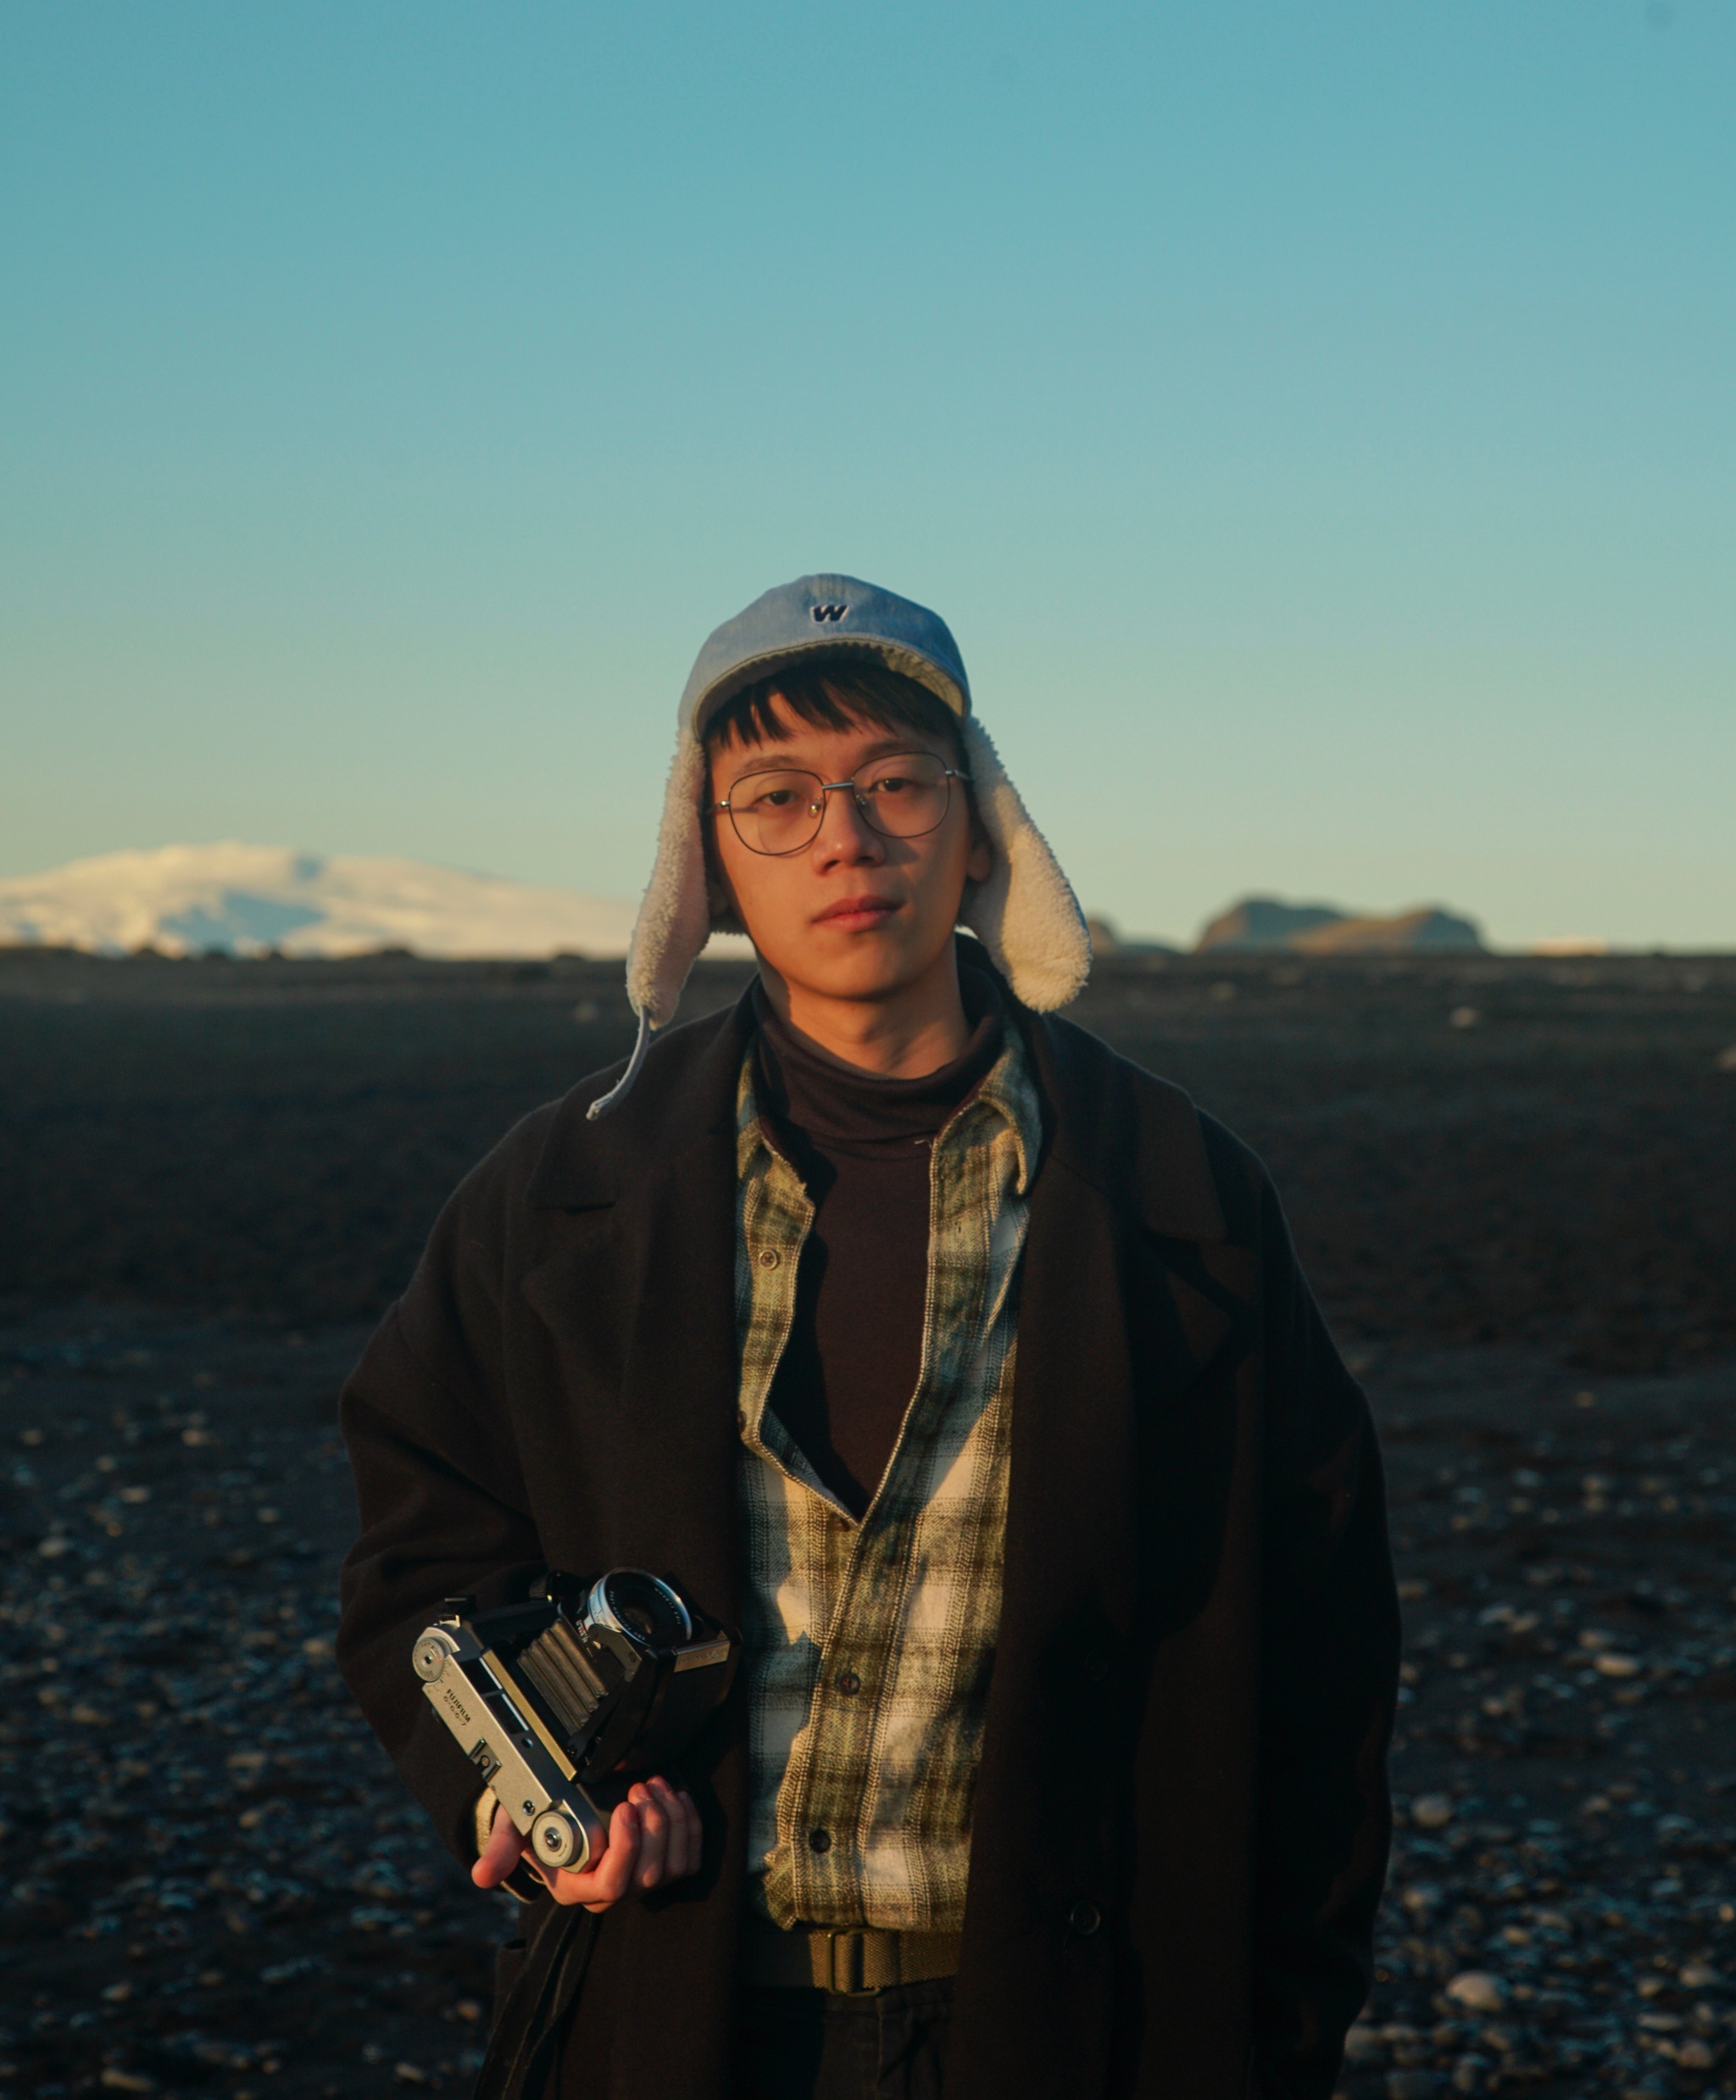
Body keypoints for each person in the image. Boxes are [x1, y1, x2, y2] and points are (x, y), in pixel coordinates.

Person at [337, 574, 1399, 2100]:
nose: (847, 836)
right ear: (702, 860)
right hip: (668, 2013)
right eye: (775, 796)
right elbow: (422, 1547)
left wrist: (1275, 2033)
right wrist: (516, 1779)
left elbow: (1324, 1659)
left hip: (1069, 2030)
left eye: (899, 781)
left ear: (984, 834)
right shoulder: (562, 1195)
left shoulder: (1183, 1198)